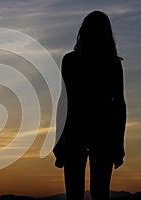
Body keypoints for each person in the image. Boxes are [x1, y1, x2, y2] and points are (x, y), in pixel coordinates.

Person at [53, 10, 127, 200]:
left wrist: (59, 140)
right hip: (101, 133)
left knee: (77, 193)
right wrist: (118, 142)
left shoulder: (71, 61)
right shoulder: (112, 64)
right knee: (98, 192)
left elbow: (64, 104)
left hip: (78, 132)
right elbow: (119, 105)